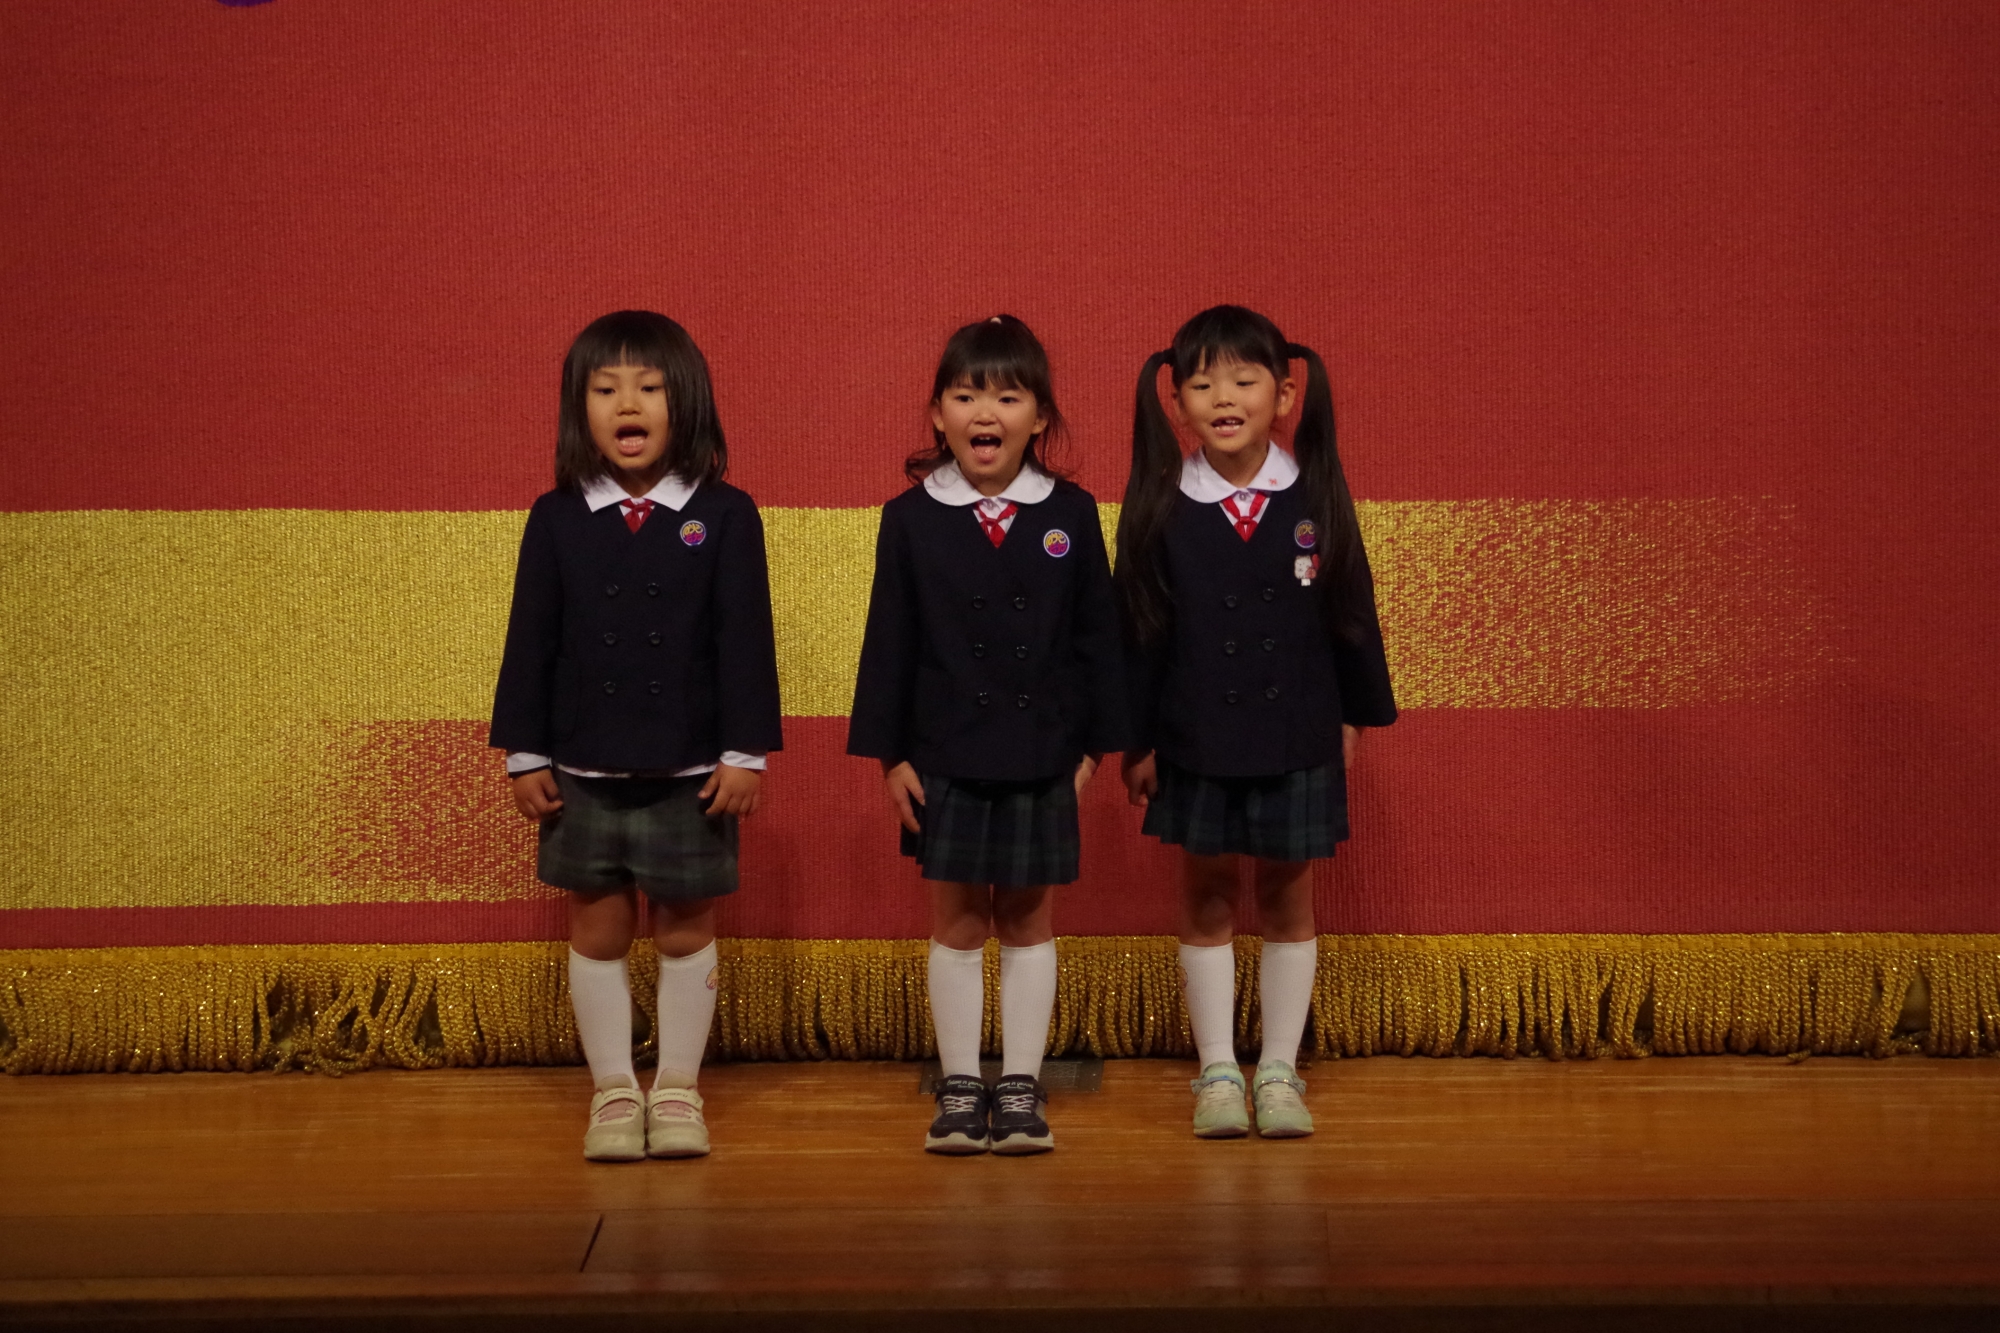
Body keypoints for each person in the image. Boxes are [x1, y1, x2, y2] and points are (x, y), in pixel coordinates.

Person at [490, 310, 782, 1162]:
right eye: (606, 388)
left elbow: (745, 639)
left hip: (692, 771)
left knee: (686, 929)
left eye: (649, 387)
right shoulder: (557, 516)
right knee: (599, 929)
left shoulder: (724, 513)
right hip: (582, 767)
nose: (628, 404)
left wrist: (745, 752)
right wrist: (524, 752)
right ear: (577, 408)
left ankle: (679, 1089)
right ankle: (614, 1091)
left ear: (685, 401)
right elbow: (531, 638)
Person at [1116, 305, 1396, 1139]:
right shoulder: (1163, 500)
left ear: (1285, 393)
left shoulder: (1314, 492)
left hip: (1296, 727)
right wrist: (1137, 738)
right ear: (1176, 402)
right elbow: (1140, 630)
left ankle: (1278, 1069)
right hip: (1194, 731)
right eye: (1203, 384)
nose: (1224, 398)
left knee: (1286, 893)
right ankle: (1216, 1071)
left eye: (1244, 380)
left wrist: (1354, 714)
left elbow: (1351, 607)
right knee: (1204, 893)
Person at [848, 315, 1125, 1156]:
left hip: (1044, 751)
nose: (986, 412)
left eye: (1007, 395)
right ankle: (962, 1084)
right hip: (944, 753)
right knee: (960, 921)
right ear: (938, 414)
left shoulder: (1070, 512)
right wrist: (892, 755)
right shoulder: (911, 517)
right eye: (967, 395)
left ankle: (1022, 1086)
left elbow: (1098, 639)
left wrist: (1092, 749)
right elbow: (889, 640)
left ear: (1039, 416)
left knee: (1030, 919)